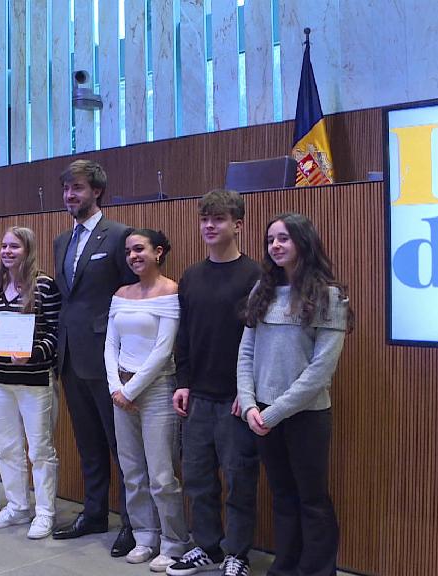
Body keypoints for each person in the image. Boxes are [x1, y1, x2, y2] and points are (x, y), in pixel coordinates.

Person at [236, 212, 354, 576]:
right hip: (261, 416)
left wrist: (271, 414)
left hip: (305, 416)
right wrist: (249, 404)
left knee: (312, 500)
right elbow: (246, 352)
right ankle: (284, 568)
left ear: (303, 242)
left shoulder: (329, 296)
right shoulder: (263, 290)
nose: (275, 246)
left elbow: (319, 372)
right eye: (271, 239)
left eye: (283, 238)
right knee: (283, 497)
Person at [168, 190, 262, 576]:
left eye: (218, 219)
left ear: (237, 225)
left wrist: (249, 390)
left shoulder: (256, 275)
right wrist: (183, 382)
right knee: (197, 479)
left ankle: (237, 553)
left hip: (237, 399)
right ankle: (207, 546)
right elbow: (185, 336)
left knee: (239, 480)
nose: (209, 225)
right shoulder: (191, 276)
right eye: (205, 218)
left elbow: (261, 340)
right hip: (198, 397)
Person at [51, 159, 139, 557]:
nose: (71, 195)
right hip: (69, 356)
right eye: (67, 189)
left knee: (121, 445)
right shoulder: (59, 241)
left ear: (97, 191)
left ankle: (134, 523)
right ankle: (95, 513)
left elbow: (133, 294)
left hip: (108, 359)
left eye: (79, 188)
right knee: (87, 443)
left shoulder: (119, 236)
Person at [103, 229, 190, 573]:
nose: (133, 256)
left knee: (162, 474)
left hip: (156, 390)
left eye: (139, 249)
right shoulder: (121, 294)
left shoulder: (171, 291)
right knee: (132, 472)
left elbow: (163, 350)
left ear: (158, 252)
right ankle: (144, 536)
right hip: (120, 390)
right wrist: (116, 387)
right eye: (128, 251)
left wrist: (131, 390)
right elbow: (110, 345)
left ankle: (173, 542)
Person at [0, 226, 62, 540]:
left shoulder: (44, 285)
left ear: (28, 251)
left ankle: (45, 513)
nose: (7, 252)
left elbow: (55, 331)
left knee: (39, 450)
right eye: (4, 246)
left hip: (34, 381)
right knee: (7, 449)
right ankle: (17, 507)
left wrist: (34, 353)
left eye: (15, 247)